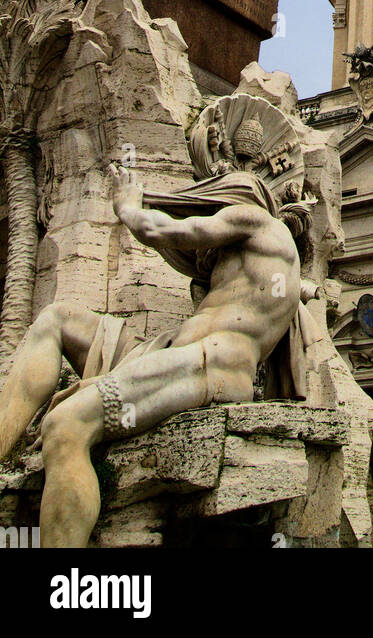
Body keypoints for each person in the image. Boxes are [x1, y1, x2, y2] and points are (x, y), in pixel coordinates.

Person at [0, 163, 316, 547]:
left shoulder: (257, 220)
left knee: (66, 424)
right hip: (168, 354)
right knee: (56, 318)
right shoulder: (254, 266)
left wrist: (128, 206)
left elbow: (164, 230)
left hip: (210, 366)